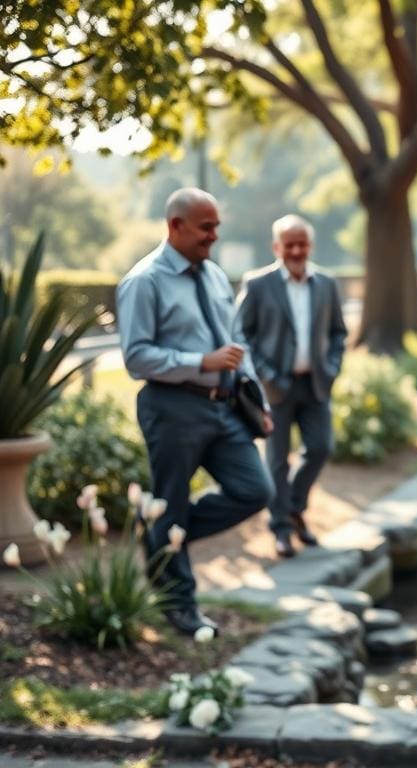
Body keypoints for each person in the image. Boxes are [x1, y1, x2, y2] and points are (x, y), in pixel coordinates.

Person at [117, 187, 275, 636]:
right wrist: (199, 363)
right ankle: (180, 605)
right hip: (172, 408)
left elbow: (235, 342)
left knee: (254, 490)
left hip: (226, 410)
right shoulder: (143, 282)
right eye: (207, 227)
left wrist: (256, 401)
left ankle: (158, 534)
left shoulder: (214, 275)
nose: (214, 236)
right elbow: (135, 357)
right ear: (175, 226)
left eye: (217, 226)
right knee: (170, 498)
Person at [234, 214, 347, 558]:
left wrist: (330, 368)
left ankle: (295, 508)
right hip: (275, 389)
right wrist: (265, 374)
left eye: (302, 244)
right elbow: (241, 333)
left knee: (321, 447)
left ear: (310, 245)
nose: (297, 250)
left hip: (315, 385)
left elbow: (338, 333)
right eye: (290, 244)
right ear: (276, 247)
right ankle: (281, 528)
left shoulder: (327, 284)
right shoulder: (257, 284)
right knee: (277, 461)